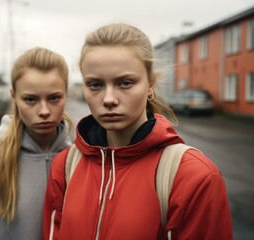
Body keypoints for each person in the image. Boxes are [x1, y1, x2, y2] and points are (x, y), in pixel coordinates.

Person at [42, 23, 232, 240]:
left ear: (150, 84)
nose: (109, 99)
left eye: (125, 83)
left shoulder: (194, 177)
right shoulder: (65, 166)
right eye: (95, 85)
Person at [0, 47, 72, 240]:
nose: (43, 111)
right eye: (30, 99)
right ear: (14, 96)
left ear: (66, 95)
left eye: (54, 98)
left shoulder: (78, 162)